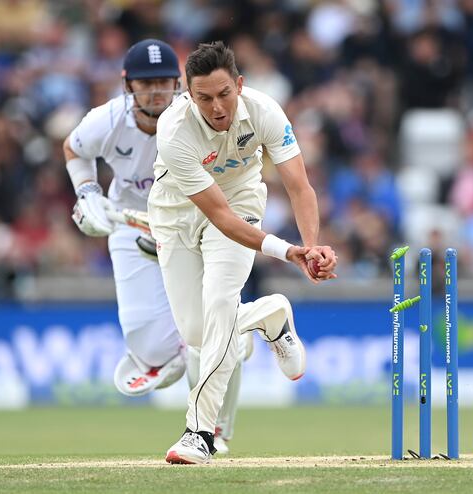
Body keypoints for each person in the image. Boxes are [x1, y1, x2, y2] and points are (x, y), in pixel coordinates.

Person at [147, 41, 337, 464]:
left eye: (224, 94)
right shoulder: (174, 130)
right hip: (178, 215)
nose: (216, 107)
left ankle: (199, 433)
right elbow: (215, 214)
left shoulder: (266, 111)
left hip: (242, 205)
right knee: (198, 334)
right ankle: (270, 314)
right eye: (204, 98)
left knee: (218, 307)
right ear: (187, 94)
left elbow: (299, 186)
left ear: (240, 84)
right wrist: (289, 252)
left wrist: (310, 245)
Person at [62, 39, 248, 454]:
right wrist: (88, 191)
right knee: (148, 349)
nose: (157, 92)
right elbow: (74, 149)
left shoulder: (197, 116)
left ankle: (214, 429)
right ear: (128, 85)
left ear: (177, 84)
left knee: (214, 326)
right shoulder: (107, 120)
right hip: (131, 223)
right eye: (146, 84)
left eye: (164, 82)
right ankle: (201, 344)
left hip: (193, 221)